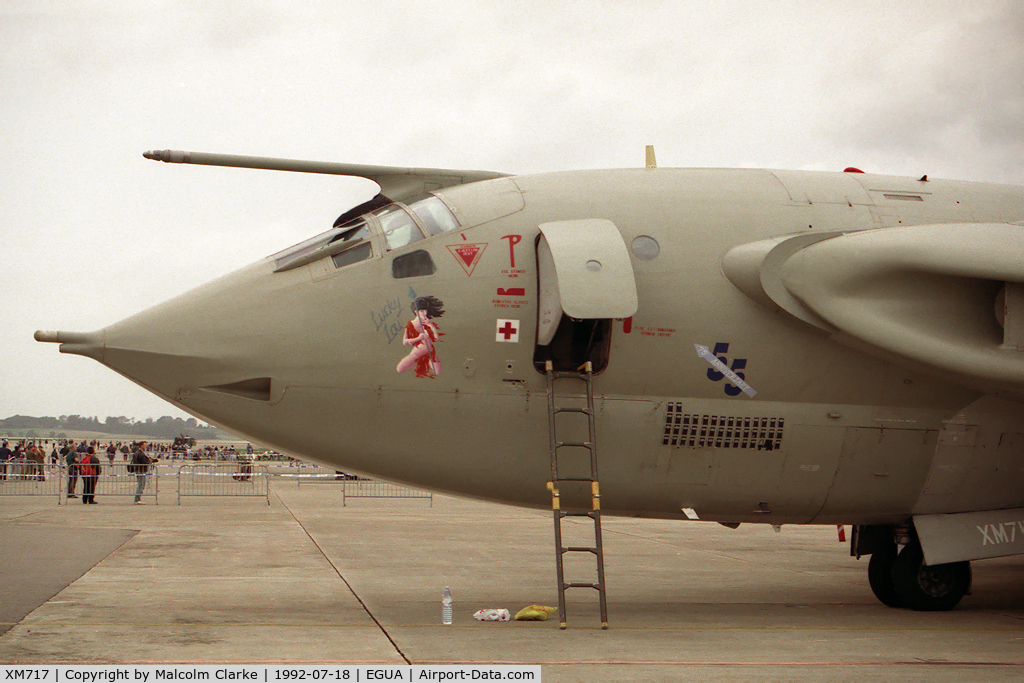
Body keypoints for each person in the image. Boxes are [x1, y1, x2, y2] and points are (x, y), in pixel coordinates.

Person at [396, 295, 445, 378]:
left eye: (425, 310)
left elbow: (437, 339)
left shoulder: (428, 323)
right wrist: (419, 338)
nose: (424, 313)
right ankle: (417, 362)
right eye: (421, 311)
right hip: (417, 353)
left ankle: (421, 361)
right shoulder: (410, 324)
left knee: (437, 371)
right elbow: (405, 342)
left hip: (430, 353)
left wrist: (431, 326)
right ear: (416, 312)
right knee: (400, 369)